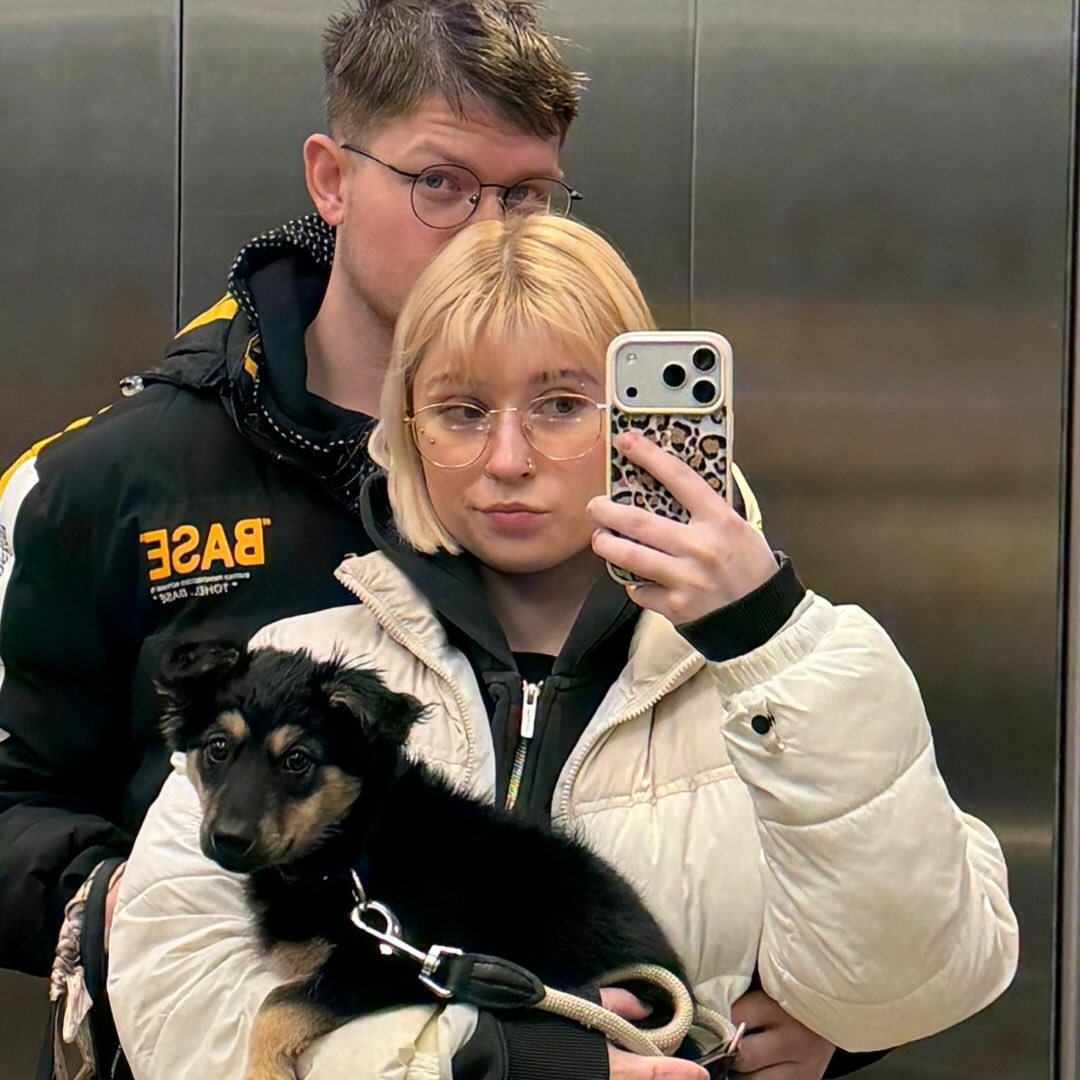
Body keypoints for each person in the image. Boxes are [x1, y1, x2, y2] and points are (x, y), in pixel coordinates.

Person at [108, 215, 1019, 1080]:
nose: (508, 458)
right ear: (409, 430)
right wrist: (474, 1061)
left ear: (633, 420)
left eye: (561, 405)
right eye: (462, 410)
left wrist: (765, 637)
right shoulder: (294, 669)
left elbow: (918, 978)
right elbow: (175, 998)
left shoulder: (784, 675)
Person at [0, 0, 581, 1072]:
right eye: (441, 183)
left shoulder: (625, 480)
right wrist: (119, 902)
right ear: (332, 179)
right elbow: (12, 798)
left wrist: (813, 1003)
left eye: (528, 195)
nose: (491, 236)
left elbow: (748, 777)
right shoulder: (107, 482)